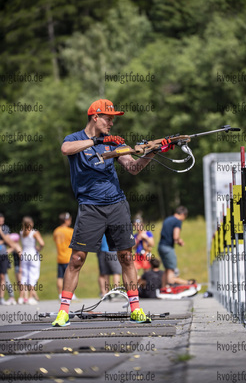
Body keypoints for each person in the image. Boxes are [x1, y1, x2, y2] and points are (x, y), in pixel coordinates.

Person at [52, 98, 173, 327]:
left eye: (113, 119)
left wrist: (153, 152)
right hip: (90, 206)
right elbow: (65, 149)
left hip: (117, 204)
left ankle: (136, 309)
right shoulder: (75, 139)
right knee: (77, 259)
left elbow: (133, 167)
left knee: (126, 257)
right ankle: (63, 312)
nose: (112, 123)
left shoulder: (114, 143)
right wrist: (97, 140)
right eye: (109, 118)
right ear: (95, 117)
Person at [158, 206, 193, 287]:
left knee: (166, 269)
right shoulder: (178, 221)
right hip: (168, 247)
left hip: (161, 246)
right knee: (171, 269)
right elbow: (175, 236)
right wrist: (180, 241)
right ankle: (171, 288)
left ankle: (163, 288)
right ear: (183, 214)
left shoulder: (167, 219)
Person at [18, 216, 44, 305]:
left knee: (24, 276)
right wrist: (39, 249)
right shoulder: (34, 232)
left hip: (24, 255)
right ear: (31, 223)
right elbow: (42, 243)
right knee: (33, 275)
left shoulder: (21, 232)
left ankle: (21, 298)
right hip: (33, 255)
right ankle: (30, 297)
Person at [53, 212, 74, 299]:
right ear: (66, 220)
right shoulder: (70, 231)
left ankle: (60, 294)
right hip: (68, 257)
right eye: (69, 220)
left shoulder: (56, 231)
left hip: (60, 258)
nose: (70, 221)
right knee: (70, 277)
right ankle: (70, 295)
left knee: (60, 277)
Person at [0, 224, 21, 305]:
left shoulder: (16, 246)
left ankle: (18, 297)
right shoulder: (15, 246)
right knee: (6, 278)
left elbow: (21, 256)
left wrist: (21, 267)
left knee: (19, 282)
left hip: (18, 266)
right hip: (15, 265)